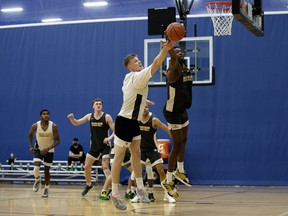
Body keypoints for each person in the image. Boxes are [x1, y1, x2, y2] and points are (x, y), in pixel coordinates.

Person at [110, 38, 175, 210]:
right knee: (118, 158)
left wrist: (144, 100)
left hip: (134, 122)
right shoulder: (138, 76)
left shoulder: (128, 77)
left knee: (136, 155)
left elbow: (129, 93)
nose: (139, 62)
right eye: (136, 61)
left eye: (139, 60)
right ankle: (114, 193)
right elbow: (155, 64)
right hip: (124, 122)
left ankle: (140, 189)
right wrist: (165, 50)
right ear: (131, 67)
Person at [161, 46, 193, 198]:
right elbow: (173, 59)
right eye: (177, 51)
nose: (180, 53)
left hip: (182, 110)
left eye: (181, 51)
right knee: (177, 144)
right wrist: (169, 48)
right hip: (171, 112)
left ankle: (180, 170)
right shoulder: (173, 70)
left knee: (184, 140)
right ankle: (168, 180)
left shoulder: (185, 69)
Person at [67, 98, 114, 196]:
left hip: (105, 146)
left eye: (100, 104)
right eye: (96, 104)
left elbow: (116, 131)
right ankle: (89, 185)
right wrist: (72, 119)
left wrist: (109, 138)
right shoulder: (89, 116)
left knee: (105, 167)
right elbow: (76, 123)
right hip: (94, 146)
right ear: (93, 106)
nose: (98, 105)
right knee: (87, 167)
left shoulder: (107, 117)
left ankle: (110, 188)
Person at [131, 105, 175, 203]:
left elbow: (166, 128)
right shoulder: (136, 119)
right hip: (140, 150)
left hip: (152, 150)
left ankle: (166, 194)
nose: (144, 109)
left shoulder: (154, 120)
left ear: (148, 108)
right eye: (143, 107)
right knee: (136, 173)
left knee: (161, 171)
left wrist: (176, 140)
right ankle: (138, 195)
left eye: (146, 107)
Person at [28, 109, 60, 198]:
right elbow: (30, 134)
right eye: (44, 114)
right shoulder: (35, 125)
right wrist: (31, 146)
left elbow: (58, 140)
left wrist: (48, 148)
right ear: (41, 116)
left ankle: (46, 189)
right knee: (36, 168)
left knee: (46, 171)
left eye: (47, 114)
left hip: (49, 151)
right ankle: (37, 180)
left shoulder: (53, 126)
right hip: (38, 149)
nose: (46, 115)